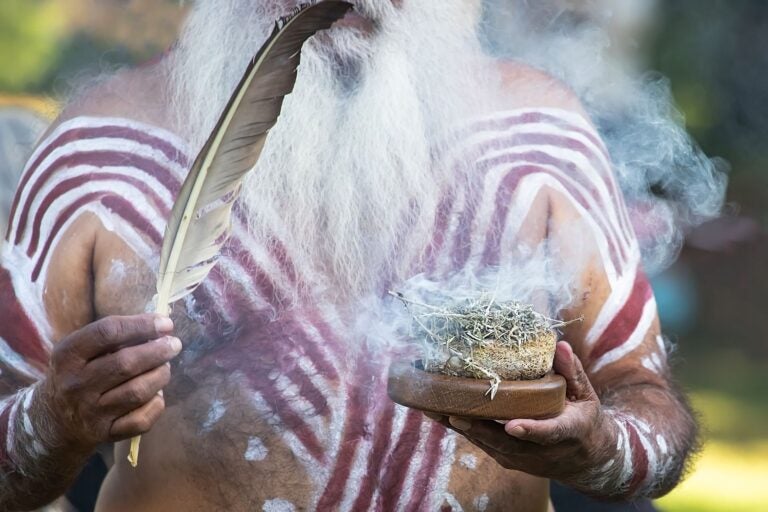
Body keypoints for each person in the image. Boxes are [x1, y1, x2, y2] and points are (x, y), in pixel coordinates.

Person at [0, 1, 702, 510]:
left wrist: (601, 448)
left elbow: (652, 415)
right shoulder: (100, 155)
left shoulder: (540, 137)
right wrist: (53, 425)